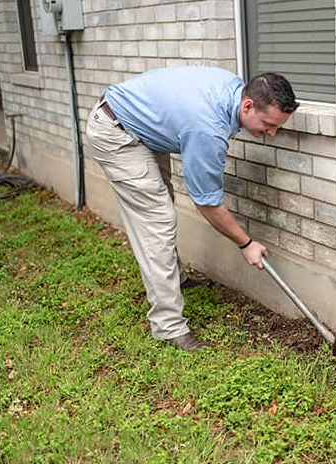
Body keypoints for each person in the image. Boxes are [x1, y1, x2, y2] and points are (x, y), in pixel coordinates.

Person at [85, 66, 299, 352]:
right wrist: (245, 243)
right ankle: (169, 326)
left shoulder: (235, 90)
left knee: (160, 205)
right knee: (156, 222)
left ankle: (176, 281)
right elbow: (207, 203)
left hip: (137, 124)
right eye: (268, 124)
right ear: (248, 105)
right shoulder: (207, 128)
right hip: (116, 134)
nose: (272, 133)